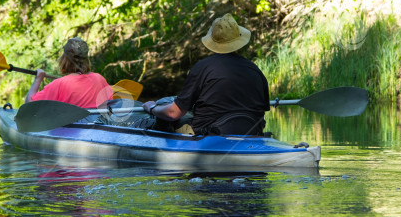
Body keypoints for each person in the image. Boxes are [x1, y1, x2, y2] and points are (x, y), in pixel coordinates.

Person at [142, 13, 270, 136]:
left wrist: (152, 108)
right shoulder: (255, 70)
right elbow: (261, 112)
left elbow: (173, 113)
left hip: (210, 134)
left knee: (165, 104)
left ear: (213, 42)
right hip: (253, 134)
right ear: (238, 41)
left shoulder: (202, 67)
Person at [25, 37, 113, 108]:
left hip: (74, 128)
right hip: (97, 127)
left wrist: (38, 79)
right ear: (86, 59)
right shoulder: (99, 79)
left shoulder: (60, 84)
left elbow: (30, 105)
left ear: (64, 59)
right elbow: (110, 102)